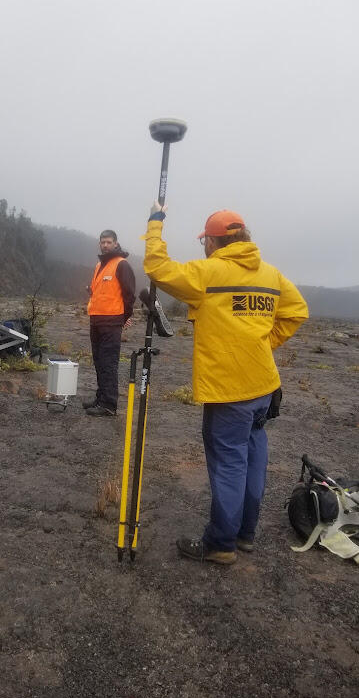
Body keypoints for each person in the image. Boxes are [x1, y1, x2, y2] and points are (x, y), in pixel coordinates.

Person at [144, 204, 308, 564]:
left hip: (229, 390)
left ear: (214, 241)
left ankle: (221, 543)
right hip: (264, 386)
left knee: (230, 463)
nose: (204, 246)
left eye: (205, 240)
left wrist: (155, 223)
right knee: (252, 458)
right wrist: (262, 344)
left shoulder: (209, 272)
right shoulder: (270, 274)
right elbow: (297, 311)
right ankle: (245, 534)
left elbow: (158, 268)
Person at [84, 230, 136, 417]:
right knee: (98, 361)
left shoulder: (121, 265)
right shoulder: (99, 266)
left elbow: (129, 295)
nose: (105, 245)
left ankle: (109, 404)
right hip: (96, 320)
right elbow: (97, 291)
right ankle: (101, 397)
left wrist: (123, 318)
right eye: (102, 242)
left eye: (108, 242)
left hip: (112, 322)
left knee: (108, 363)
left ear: (115, 243)